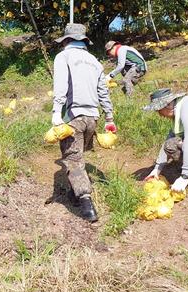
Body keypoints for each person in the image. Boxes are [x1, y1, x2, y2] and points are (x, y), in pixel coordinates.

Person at [52, 23, 116, 223]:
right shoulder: (95, 62)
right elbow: (103, 92)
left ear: (67, 41)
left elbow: (61, 86)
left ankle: (86, 202)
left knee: (73, 159)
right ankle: (74, 192)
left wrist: (56, 111)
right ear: (83, 42)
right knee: (79, 155)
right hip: (92, 118)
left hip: (74, 116)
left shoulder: (63, 57)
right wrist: (110, 118)